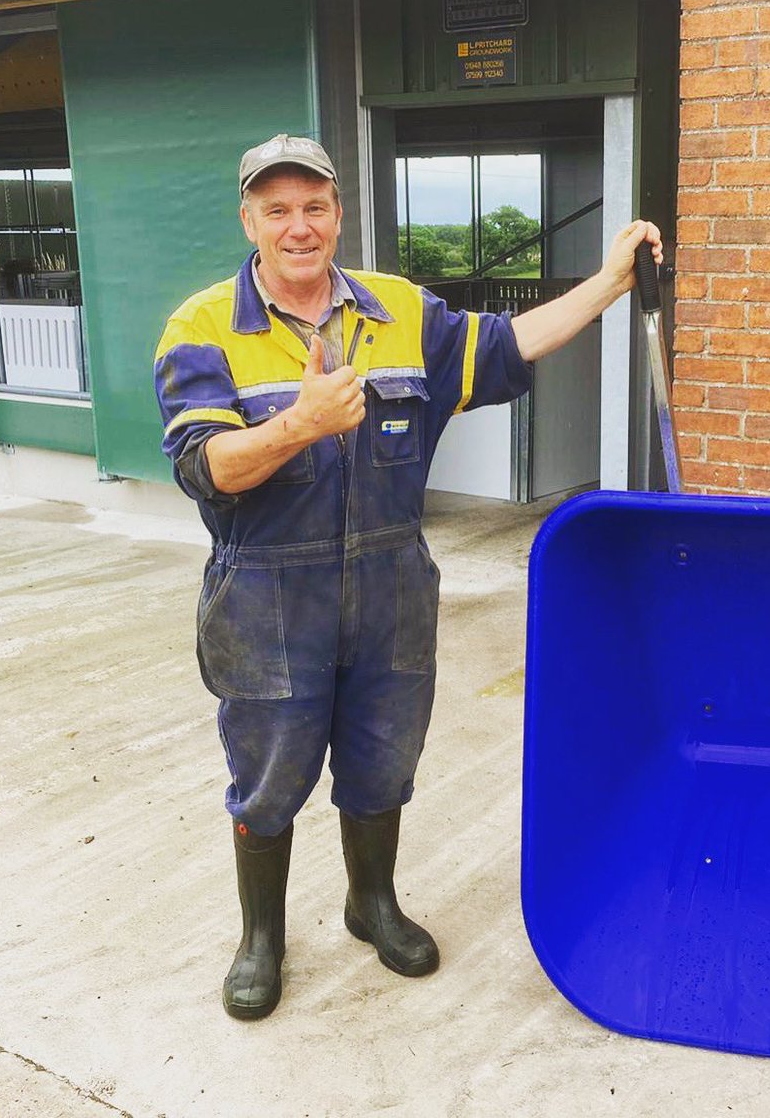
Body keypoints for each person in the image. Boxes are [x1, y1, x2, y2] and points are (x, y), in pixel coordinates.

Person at [153, 132, 663, 1020]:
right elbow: (207, 468)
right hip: (267, 596)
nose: (298, 225)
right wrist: (296, 425)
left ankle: (371, 903)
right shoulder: (202, 327)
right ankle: (261, 937)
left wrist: (611, 282)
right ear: (250, 220)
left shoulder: (398, 310)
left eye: (314, 206)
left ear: (337, 213)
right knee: (268, 777)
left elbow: (507, 345)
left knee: (382, 762)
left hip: (391, 585)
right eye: (277, 209)